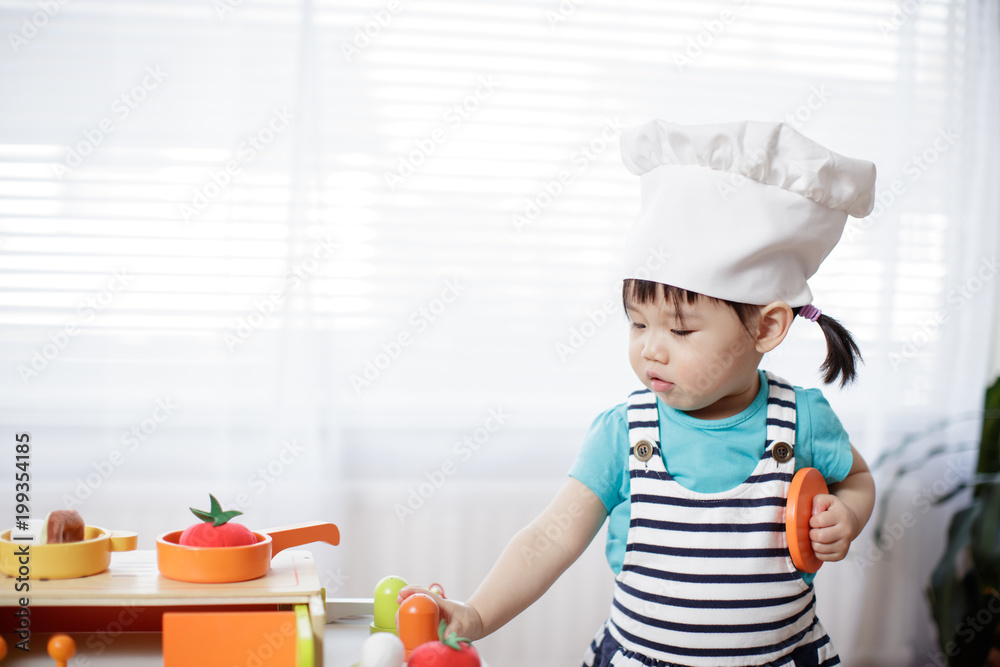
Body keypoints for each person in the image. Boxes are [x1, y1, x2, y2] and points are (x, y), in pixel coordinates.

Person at [398, 119, 878, 666]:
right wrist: (477, 614)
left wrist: (847, 513)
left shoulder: (802, 420)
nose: (651, 349)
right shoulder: (625, 433)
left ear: (766, 328)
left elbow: (857, 480)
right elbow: (550, 538)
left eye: (681, 330)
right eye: (638, 323)